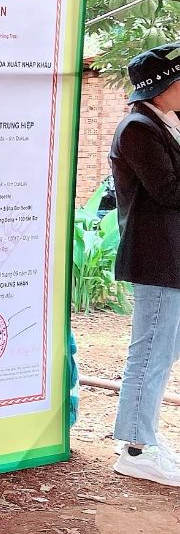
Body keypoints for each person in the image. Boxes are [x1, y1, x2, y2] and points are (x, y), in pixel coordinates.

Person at [109, 43, 180, 488]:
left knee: (163, 351)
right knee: (151, 350)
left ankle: (145, 437)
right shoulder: (137, 129)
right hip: (156, 258)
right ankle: (135, 448)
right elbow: (169, 191)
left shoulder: (167, 124)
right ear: (162, 87)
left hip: (172, 258)